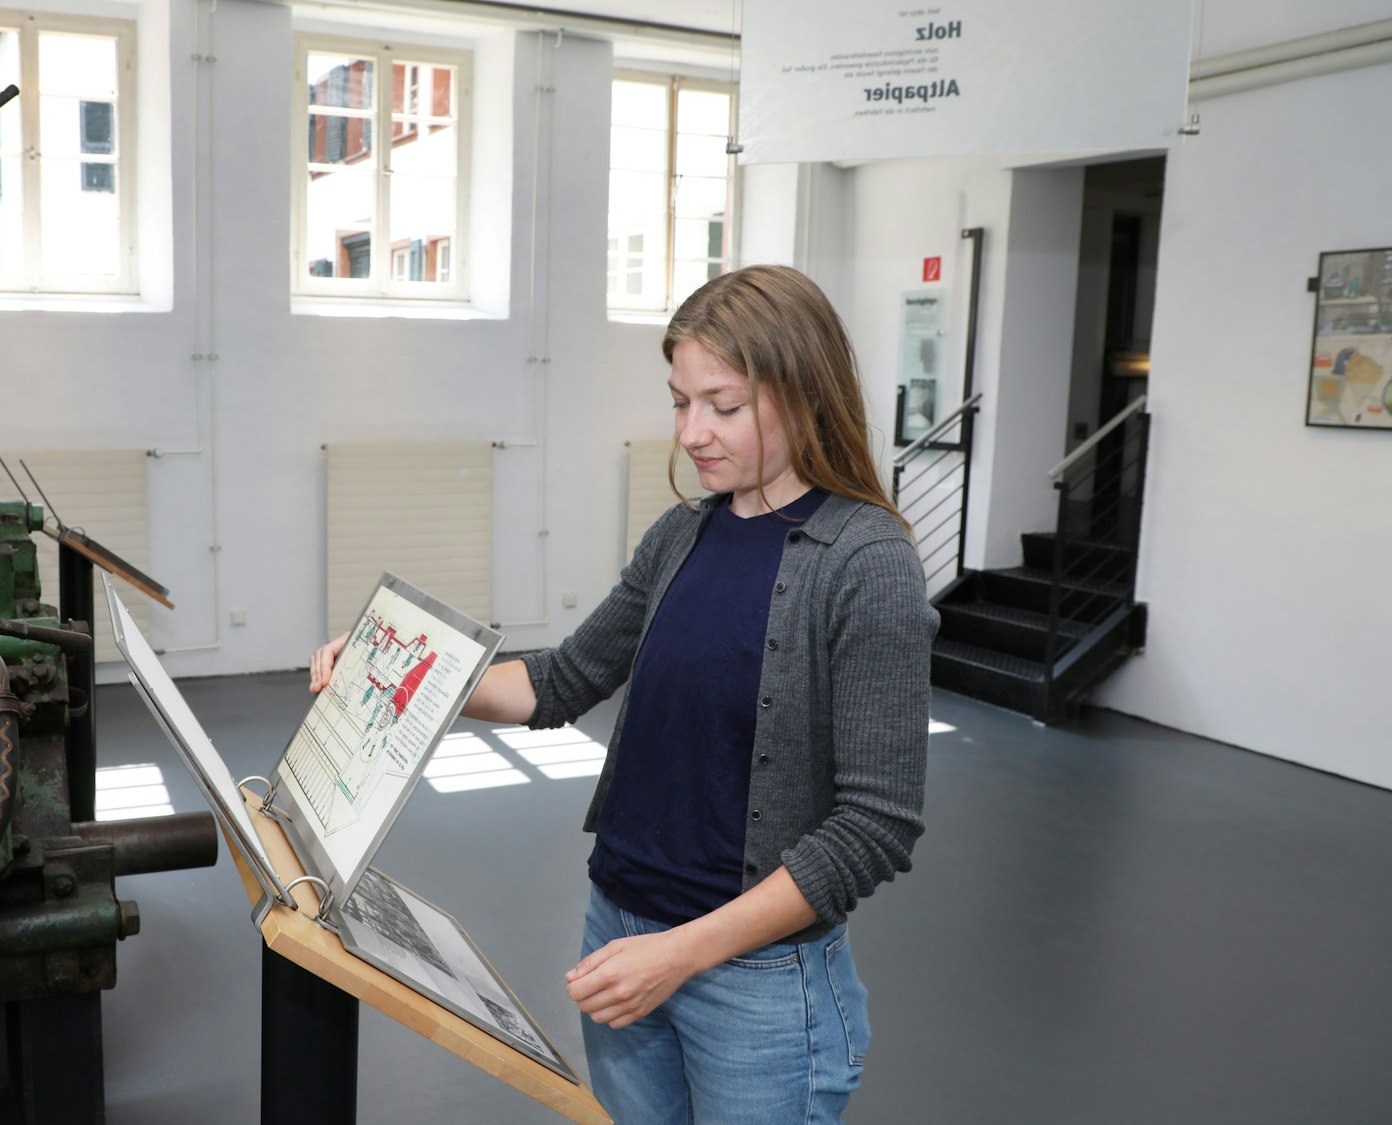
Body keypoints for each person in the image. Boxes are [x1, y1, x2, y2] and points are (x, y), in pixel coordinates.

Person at [309, 265, 936, 1123]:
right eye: (681, 402)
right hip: (621, 932)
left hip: (753, 982)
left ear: (805, 393)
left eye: (724, 404)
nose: (692, 433)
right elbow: (558, 680)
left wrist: (681, 953)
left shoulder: (867, 564)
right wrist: (399, 665)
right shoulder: (683, 533)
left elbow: (875, 825)